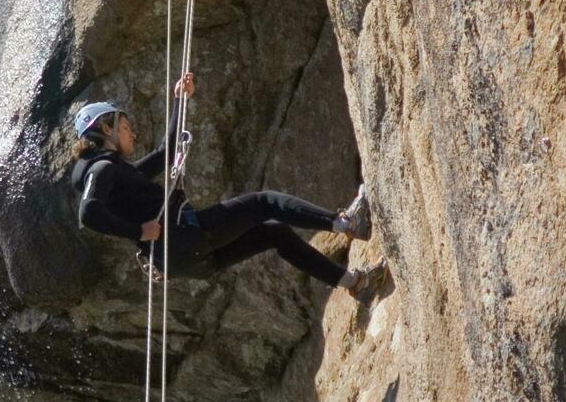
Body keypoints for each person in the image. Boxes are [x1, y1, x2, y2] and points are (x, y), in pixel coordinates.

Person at [69, 72, 388, 302]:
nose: (131, 135)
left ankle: (355, 283)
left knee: (274, 233)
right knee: (264, 202)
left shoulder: (119, 174)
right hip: (184, 239)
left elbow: (165, 154)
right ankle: (346, 223)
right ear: (106, 129)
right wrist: (139, 232)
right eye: (124, 128)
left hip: (184, 261)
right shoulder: (101, 168)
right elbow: (88, 212)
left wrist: (181, 101)